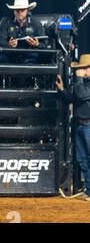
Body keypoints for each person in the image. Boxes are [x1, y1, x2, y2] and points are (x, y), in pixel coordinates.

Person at [56, 55, 90, 202]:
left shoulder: (82, 84)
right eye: (81, 68)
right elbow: (73, 99)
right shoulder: (81, 84)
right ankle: (89, 190)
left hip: (88, 125)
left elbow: (82, 96)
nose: (81, 71)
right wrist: (63, 90)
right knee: (82, 159)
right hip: (81, 125)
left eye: (84, 68)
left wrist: (80, 79)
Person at [0, 0, 46, 64]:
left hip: (30, 58)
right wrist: (9, 45)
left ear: (28, 10)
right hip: (10, 57)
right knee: (1, 59)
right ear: (13, 11)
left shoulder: (36, 23)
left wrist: (36, 44)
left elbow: (45, 44)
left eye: (22, 10)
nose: (19, 12)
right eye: (17, 10)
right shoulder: (6, 21)